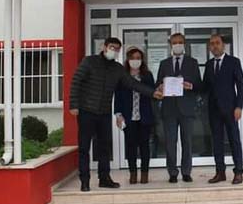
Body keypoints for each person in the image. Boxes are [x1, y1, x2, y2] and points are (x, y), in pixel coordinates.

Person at [69, 37, 163, 192]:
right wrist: (73, 105)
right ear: (104, 47)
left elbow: (133, 84)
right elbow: (76, 81)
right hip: (86, 111)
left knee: (105, 147)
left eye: (117, 49)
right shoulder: (89, 61)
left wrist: (153, 93)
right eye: (112, 47)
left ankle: (104, 178)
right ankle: (84, 181)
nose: (114, 51)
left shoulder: (117, 69)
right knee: (84, 147)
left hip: (104, 112)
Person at [156, 33, 202, 183]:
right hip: (169, 108)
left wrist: (191, 86)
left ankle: (186, 172)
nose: (177, 45)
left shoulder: (192, 62)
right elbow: (158, 83)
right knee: (170, 142)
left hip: (187, 108)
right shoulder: (164, 63)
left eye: (180, 42)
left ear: (184, 44)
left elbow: (199, 85)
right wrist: (160, 87)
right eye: (174, 42)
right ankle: (172, 173)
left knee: (187, 141)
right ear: (170, 45)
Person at [202, 33, 243, 185]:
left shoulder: (233, 62)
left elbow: (240, 85)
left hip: (231, 108)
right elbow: (205, 87)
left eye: (217, 43)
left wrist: (239, 106)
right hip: (214, 110)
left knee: (234, 140)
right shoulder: (208, 65)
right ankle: (220, 172)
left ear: (223, 45)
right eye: (212, 43)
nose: (214, 46)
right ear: (209, 47)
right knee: (217, 141)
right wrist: (191, 86)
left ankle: (238, 172)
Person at [114, 47, 155, 184]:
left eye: (138, 58)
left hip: (144, 116)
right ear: (128, 60)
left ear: (142, 60)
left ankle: (144, 174)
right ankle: (132, 173)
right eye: (132, 58)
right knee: (131, 146)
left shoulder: (147, 75)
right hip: (128, 117)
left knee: (144, 146)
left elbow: (152, 93)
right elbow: (118, 96)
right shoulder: (122, 76)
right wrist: (118, 115)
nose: (135, 61)